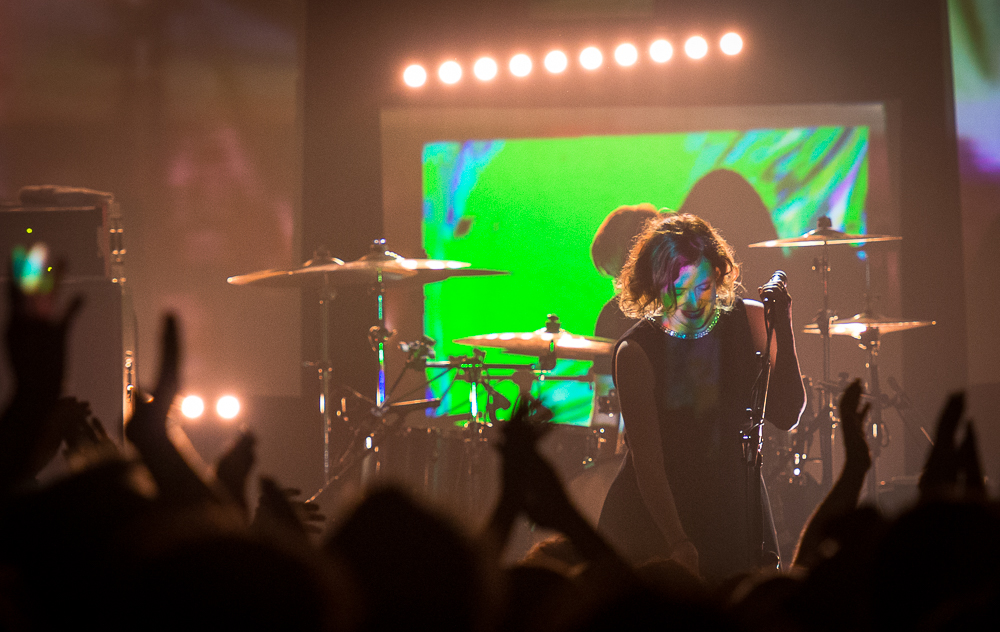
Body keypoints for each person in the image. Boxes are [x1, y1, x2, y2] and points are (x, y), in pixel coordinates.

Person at [597, 213, 805, 581]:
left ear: (719, 275)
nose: (692, 301)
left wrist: (783, 327)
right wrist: (677, 541)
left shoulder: (751, 321)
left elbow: (788, 414)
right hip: (658, 518)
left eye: (703, 286)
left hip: (733, 507)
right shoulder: (635, 351)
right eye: (678, 289)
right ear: (654, 285)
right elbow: (648, 461)